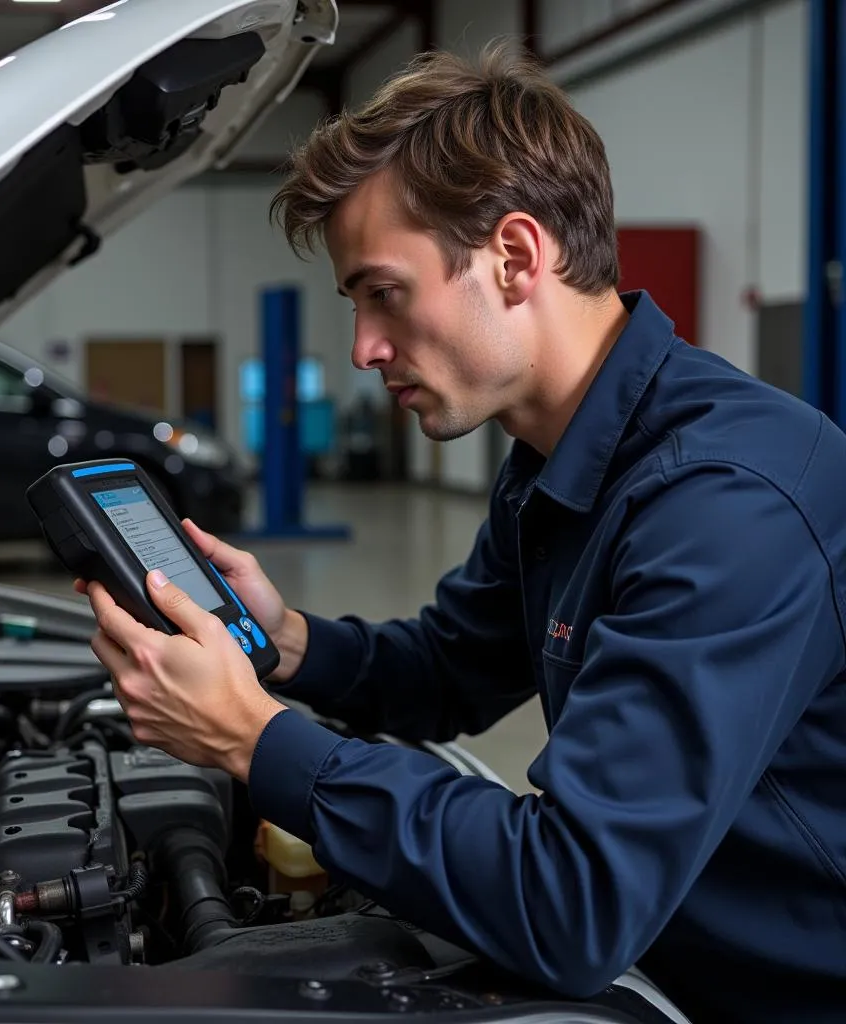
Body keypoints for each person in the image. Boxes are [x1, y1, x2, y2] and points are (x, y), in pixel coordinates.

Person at [78, 44, 846, 1023]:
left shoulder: (728, 501)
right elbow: (451, 666)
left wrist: (253, 739)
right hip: (670, 966)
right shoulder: (557, 457)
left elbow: (571, 897)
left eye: (383, 292)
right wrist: (285, 641)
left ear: (516, 257)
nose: (363, 348)